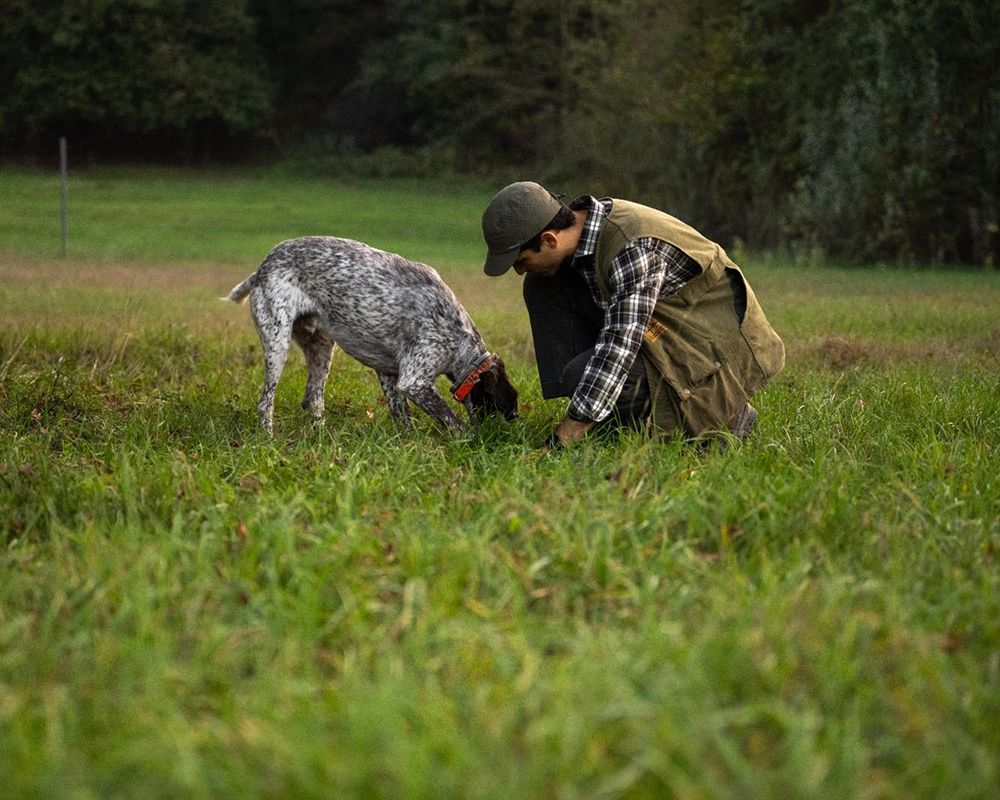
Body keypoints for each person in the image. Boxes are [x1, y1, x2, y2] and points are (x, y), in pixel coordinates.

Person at [481, 181, 785, 447]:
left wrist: (564, 438)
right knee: (542, 285)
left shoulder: (631, 247)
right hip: (662, 324)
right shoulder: (588, 230)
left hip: (715, 344)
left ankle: (725, 414)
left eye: (521, 259)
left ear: (549, 239)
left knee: (581, 373)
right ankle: (603, 409)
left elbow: (621, 343)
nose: (519, 270)